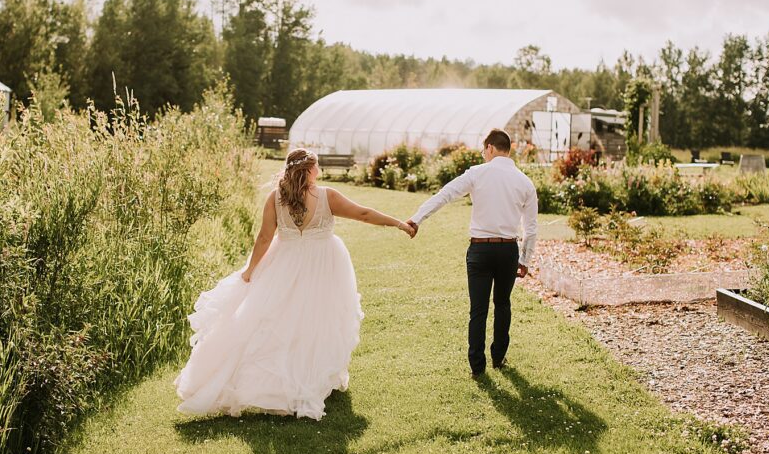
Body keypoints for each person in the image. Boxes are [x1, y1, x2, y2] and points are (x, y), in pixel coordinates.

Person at [174, 148, 415, 420]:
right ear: (310, 169)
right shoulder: (326, 195)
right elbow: (364, 214)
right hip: (323, 264)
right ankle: (309, 377)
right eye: (318, 166)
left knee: (280, 321)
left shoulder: (275, 198)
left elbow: (264, 238)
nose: (319, 170)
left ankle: (284, 381)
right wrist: (398, 223)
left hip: (284, 264)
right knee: (318, 320)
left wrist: (251, 270)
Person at [406, 129, 538, 377]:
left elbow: (445, 194)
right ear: (506, 149)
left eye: (483, 150)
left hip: (480, 249)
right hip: (508, 250)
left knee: (478, 309)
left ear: (489, 148)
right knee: (503, 304)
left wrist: (416, 219)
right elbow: (530, 229)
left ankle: (478, 367)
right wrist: (524, 259)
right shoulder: (525, 182)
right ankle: (498, 357)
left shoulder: (477, 173)